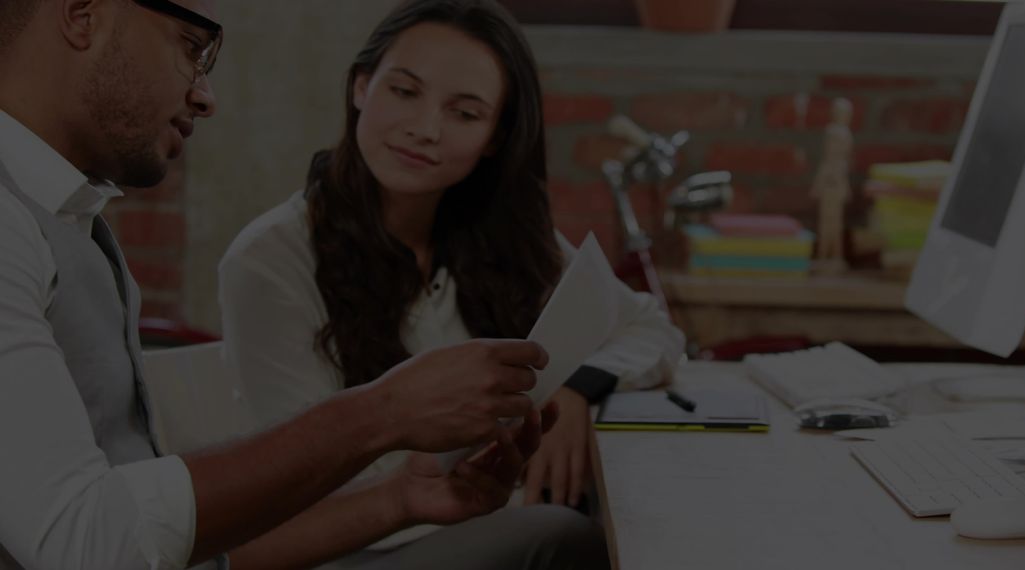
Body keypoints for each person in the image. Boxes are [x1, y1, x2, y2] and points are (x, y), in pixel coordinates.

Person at [0, 1, 605, 568]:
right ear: (83, 15)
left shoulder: (74, 222)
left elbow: (144, 538)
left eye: (465, 112)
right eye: (190, 46)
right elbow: (85, 540)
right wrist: (383, 411)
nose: (206, 95)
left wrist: (401, 497)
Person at [218, 0, 686, 554]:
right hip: (364, 548)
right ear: (361, 88)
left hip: (499, 525)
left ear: (493, 136)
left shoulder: (503, 237)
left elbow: (652, 329)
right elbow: (298, 486)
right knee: (567, 537)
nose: (424, 129)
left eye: (464, 113)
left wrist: (578, 389)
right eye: (404, 91)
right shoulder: (271, 260)